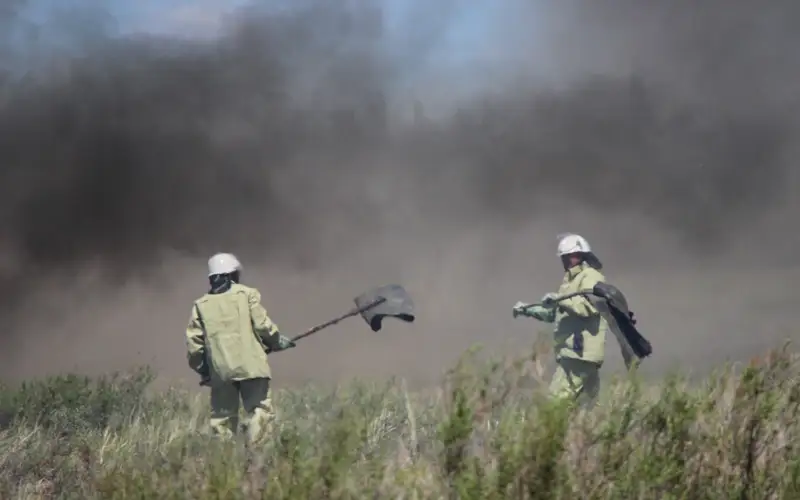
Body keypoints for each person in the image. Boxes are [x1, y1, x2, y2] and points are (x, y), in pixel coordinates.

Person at [185, 252, 296, 444]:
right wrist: (277, 341)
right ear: (232, 274)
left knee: (222, 418)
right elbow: (263, 326)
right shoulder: (247, 294)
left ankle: (223, 457)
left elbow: (194, 346)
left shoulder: (200, 305)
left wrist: (204, 370)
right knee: (259, 411)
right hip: (251, 367)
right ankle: (258, 454)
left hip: (221, 372)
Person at [512, 233, 608, 407]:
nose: (569, 260)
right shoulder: (570, 280)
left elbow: (589, 307)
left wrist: (560, 299)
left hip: (578, 353)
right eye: (566, 257)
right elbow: (555, 313)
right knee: (587, 408)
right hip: (579, 354)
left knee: (554, 404)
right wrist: (528, 309)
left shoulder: (591, 276)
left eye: (573, 256)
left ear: (583, 255)